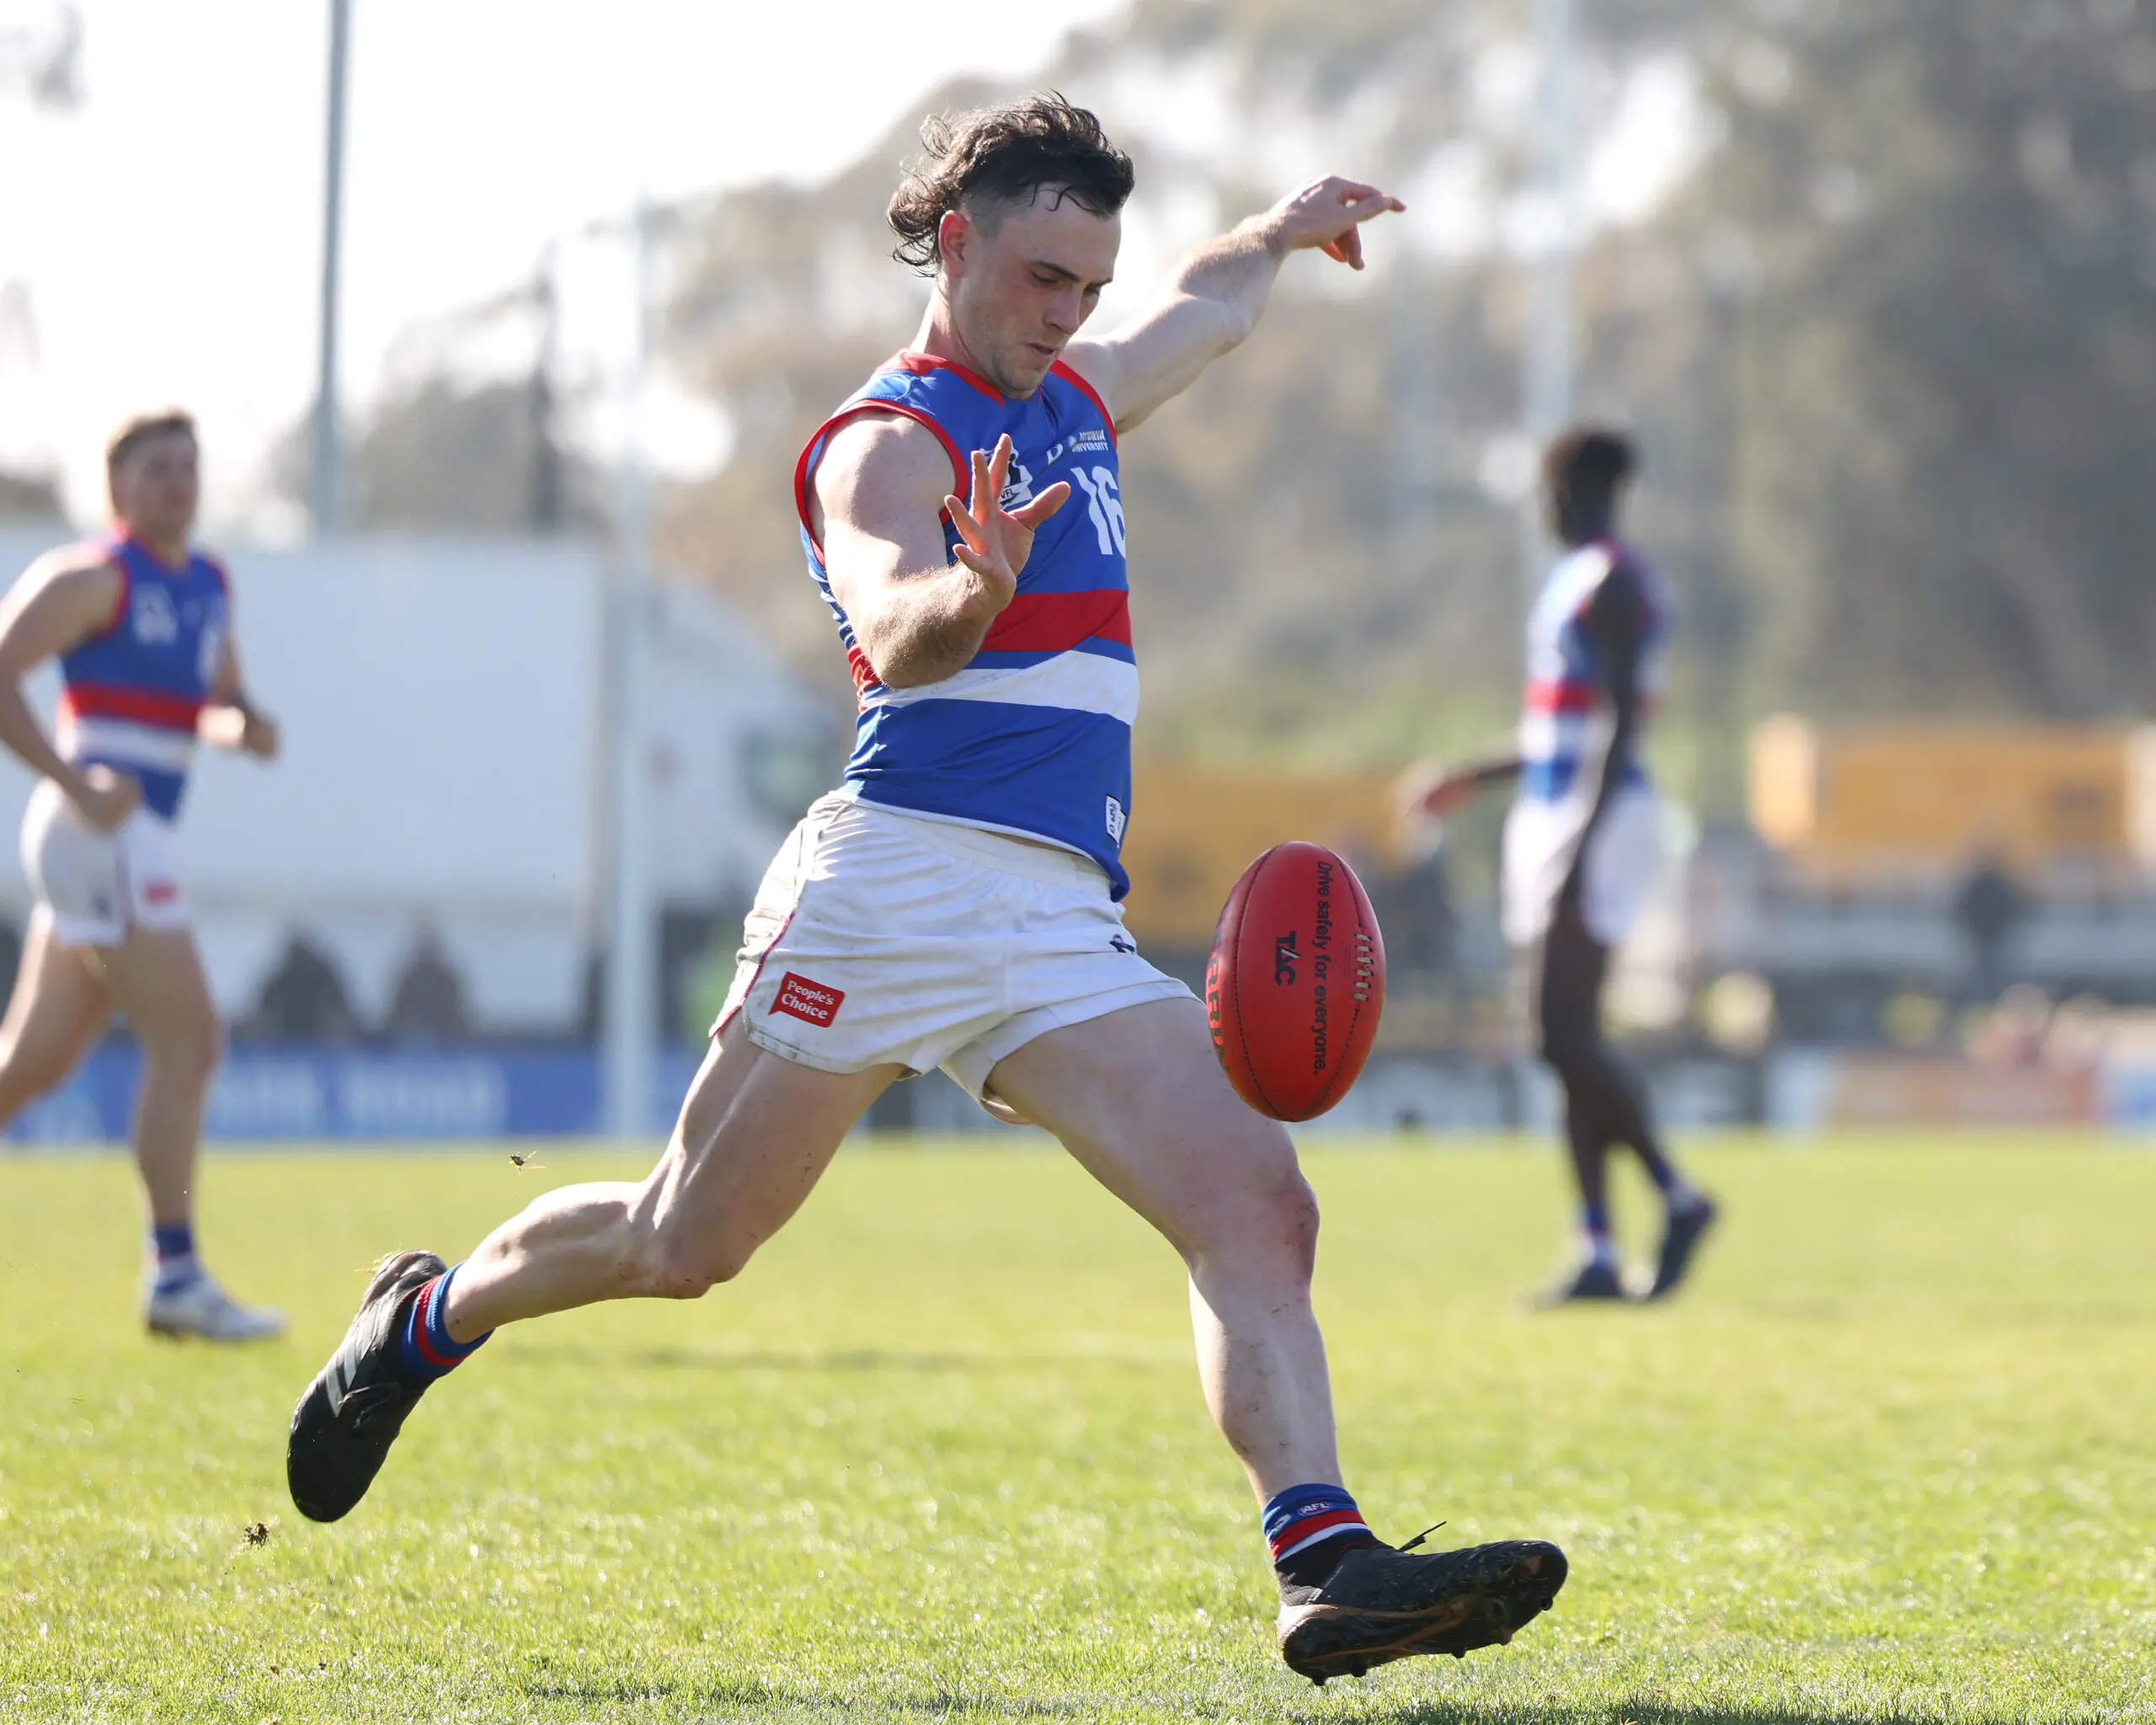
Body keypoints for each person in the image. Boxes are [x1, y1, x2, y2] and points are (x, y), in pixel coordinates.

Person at [287, 97, 1564, 1685]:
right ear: (956, 244)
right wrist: (977, 583)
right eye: (1043, 277)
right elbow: (894, 629)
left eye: (1089, 284)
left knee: (1256, 1199)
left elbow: (1209, 308)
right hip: (891, 888)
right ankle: (424, 1319)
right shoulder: (886, 440)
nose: (1069, 312)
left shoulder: (1079, 395)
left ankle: (1324, 1566)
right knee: (683, 1239)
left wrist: (1279, 234)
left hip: (1057, 921)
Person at [1405, 427, 1716, 1304]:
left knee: (1555, 1036)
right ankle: (1597, 1249)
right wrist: (1471, 776)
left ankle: (1678, 1196)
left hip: (1595, 819)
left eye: (1547, 492)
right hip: (1560, 811)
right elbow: (1560, 730)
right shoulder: (1577, 577)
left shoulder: (1613, 580)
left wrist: (1578, 851)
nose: (1542, 510)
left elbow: (1620, 733)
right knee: (1567, 1040)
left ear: (1573, 490)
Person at [0, 409, 283, 1338]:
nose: (177, 484)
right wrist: (70, 776)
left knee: (35, 1062)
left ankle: (176, 1277)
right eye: (156, 469)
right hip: (105, 835)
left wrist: (244, 728)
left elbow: (214, 701)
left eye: (188, 467)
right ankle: (175, 1276)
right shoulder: (94, 576)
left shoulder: (208, 583)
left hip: (128, 835)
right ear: (117, 487)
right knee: (190, 1042)